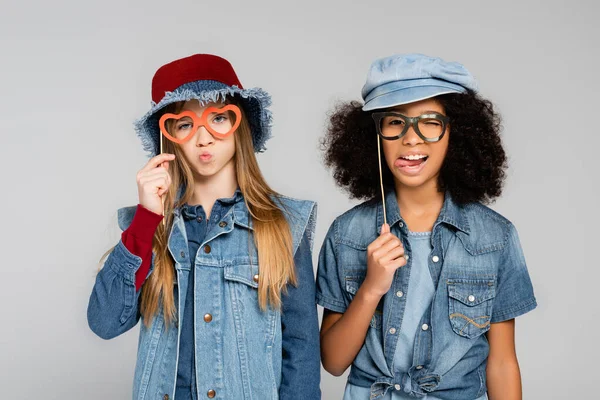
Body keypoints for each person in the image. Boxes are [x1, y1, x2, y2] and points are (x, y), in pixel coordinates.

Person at [87, 54, 321, 400]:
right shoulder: (148, 227)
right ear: (169, 137)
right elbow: (105, 323)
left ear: (238, 125)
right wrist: (146, 219)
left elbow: (301, 349)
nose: (204, 137)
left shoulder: (283, 225)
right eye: (185, 124)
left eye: (218, 118)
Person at [317, 53, 536, 400]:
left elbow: (503, 363)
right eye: (394, 122)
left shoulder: (495, 237)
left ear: (457, 133)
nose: (411, 139)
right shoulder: (347, 235)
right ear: (375, 135)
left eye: (430, 122)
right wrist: (371, 288)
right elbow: (332, 360)